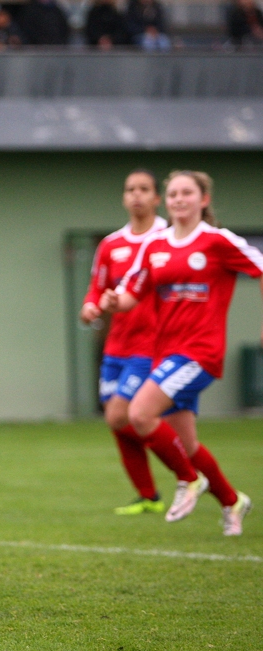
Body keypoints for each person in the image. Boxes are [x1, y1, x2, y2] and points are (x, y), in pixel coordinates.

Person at [101, 170, 263, 536]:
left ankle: (188, 481)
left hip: (200, 352)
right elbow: (131, 294)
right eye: (172, 193)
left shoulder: (217, 241)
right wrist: (114, 301)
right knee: (186, 444)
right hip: (165, 354)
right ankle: (231, 501)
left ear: (203, 199)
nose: (177, 199)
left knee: (139, 413)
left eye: (186, 193)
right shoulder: (155, 246)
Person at [81, 170, 205, 518]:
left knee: (125, 415)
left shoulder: (169, 238)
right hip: (116, 347)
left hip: (152, 346)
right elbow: (97, 286)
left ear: (156, 198)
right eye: (130, 189)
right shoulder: (111, 245)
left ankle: (189, 477)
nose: (136, 195)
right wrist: (91, 306)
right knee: (116, 420)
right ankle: (148, 495)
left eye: (144, 189)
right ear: (124, 198)